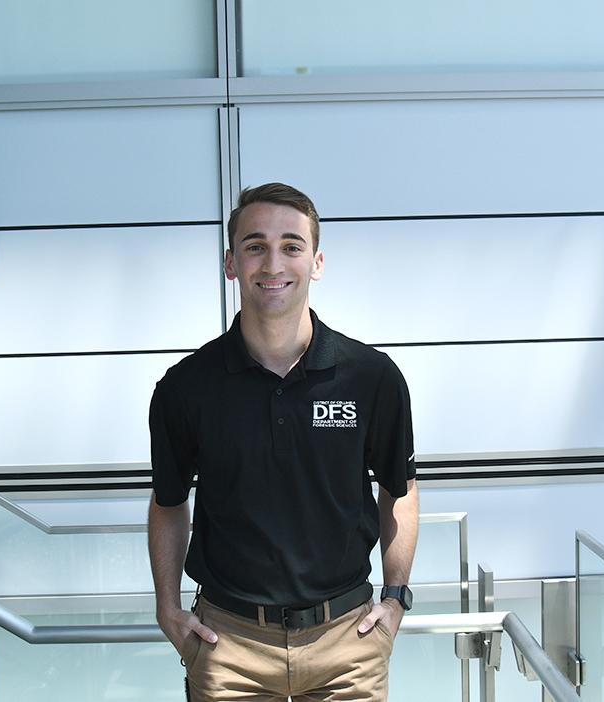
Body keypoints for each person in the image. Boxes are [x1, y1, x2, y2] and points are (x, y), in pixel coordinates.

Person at [148, 182, 419, 702]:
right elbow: (169, 501)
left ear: (316, 262)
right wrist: (168, 608)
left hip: (348, 642)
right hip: (229, 649)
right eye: (255, 246)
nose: (273, 264)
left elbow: (399, 488)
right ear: (231, 263)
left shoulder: (372, 377)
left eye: (291, 246)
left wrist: (396, 595)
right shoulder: (185, 387)